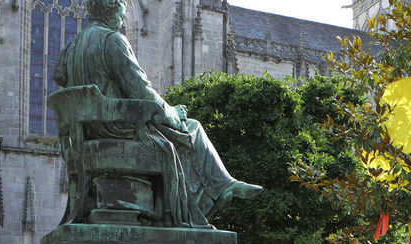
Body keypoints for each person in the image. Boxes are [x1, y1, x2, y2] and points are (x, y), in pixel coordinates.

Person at [53, 0, 260, 227]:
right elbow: (142, 91)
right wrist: (173, 114)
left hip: (90, 133)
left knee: (181, 132)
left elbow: (61, 78)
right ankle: (193, 210)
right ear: (109, 10)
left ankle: (217, 189)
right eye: (121, 15)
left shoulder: (70, 50)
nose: (122, 21)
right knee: (192, 129)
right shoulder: (112, 41)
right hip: (119, 128)